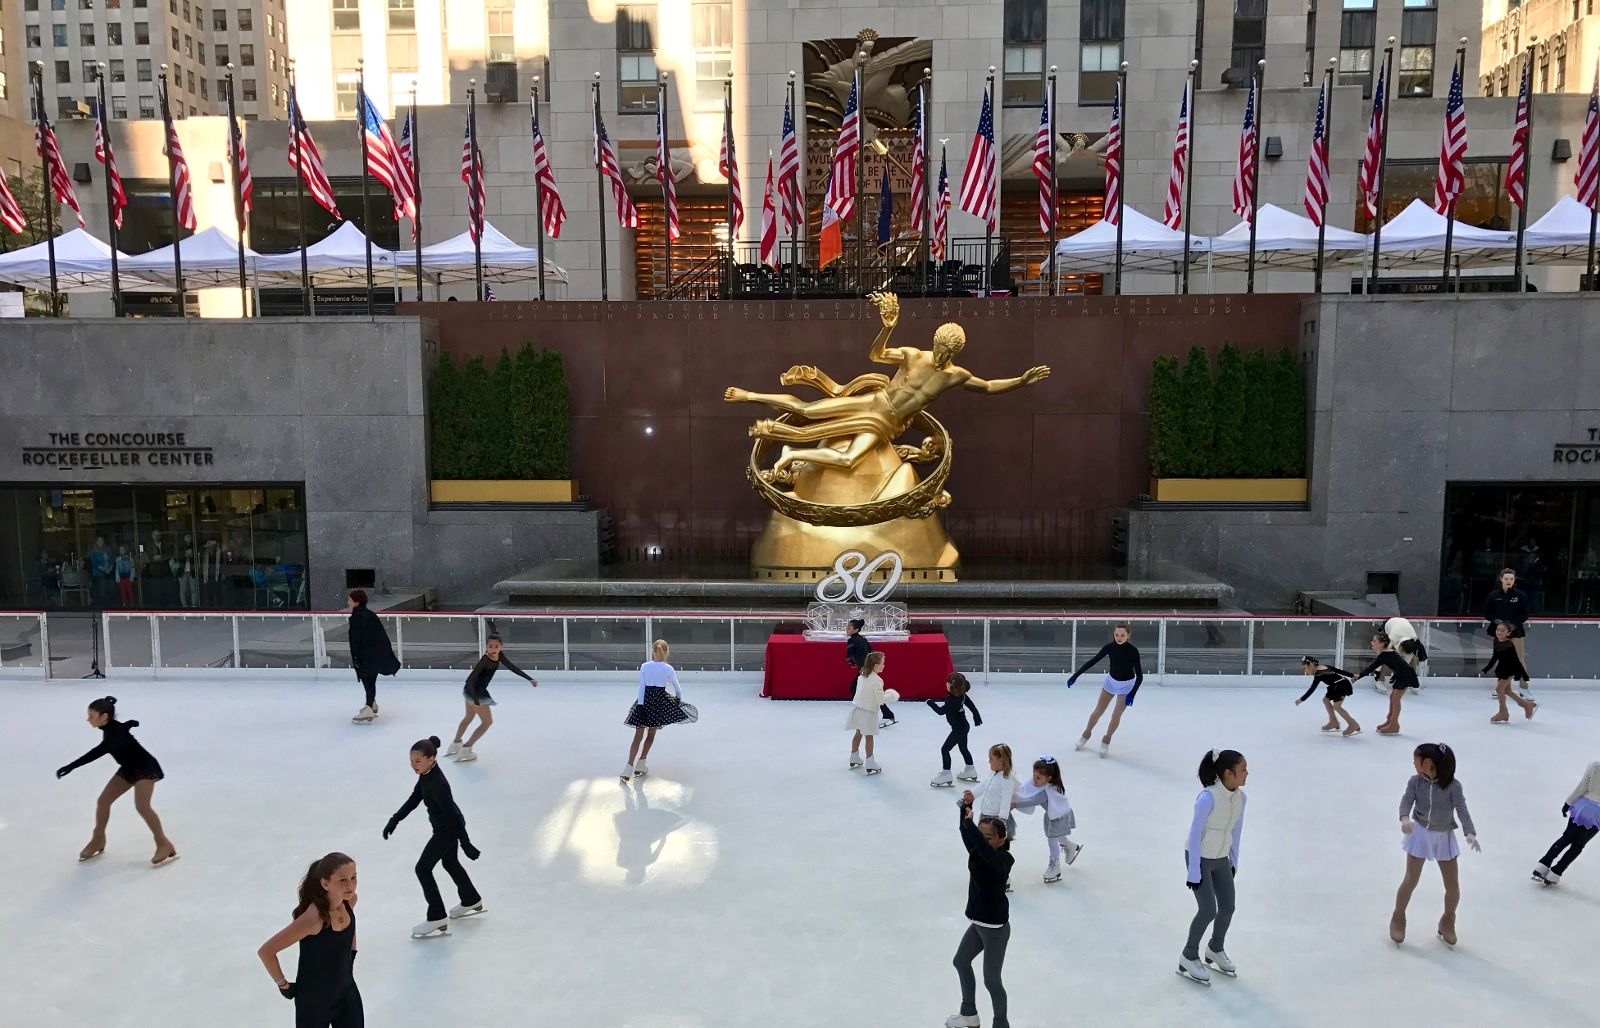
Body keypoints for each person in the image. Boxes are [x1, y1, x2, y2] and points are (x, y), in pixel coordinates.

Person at [56, 696, 176, 866]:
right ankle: (98, 840)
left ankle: (163, 843)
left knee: (142, 806)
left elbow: (96, 752)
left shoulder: (114, 734)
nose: (88, 719)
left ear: (104, 717)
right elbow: (119, 728)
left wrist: (71, 766)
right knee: (103, 801)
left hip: (145, 768)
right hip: (128, 769)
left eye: (92, 716)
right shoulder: (112, 727)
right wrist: (128, 725)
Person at [383, 737, 483, 940]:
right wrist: (395, 819)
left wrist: (466, 843)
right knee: (450, 863)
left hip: (448, 829)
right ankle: (471, 898)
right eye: (411, 761)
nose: (413, 765)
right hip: (443, 827)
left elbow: (454, 816)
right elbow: (415, 798)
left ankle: (437, 916)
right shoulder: (427, 775)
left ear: (431, 759)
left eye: (417, 761)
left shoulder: (438, 784)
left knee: (422, 868)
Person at [257, 852, 363, 1027]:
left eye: (353, 877)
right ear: (325, 883)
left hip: (347, 994)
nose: (350, 885)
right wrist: (283, 985)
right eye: (343, 880)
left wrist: (351, 955)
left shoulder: (349, 901)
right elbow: (266, 952)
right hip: (314, 1003)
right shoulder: (313, 919)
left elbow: (349, 932)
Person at [1391, 742, 1479, 947]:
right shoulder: (1415, 782)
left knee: (1452, 886)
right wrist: (1404, 818)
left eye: (1416, 761)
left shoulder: (1453, 786)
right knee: (1410, 880)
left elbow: (1462, 809)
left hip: (1443, 837)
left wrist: (1470, 832)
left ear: (1428, 763)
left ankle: (1448, 919)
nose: (1414, 764)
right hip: (1419, 834)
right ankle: (1398, 915)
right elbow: (1406, 801)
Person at [1177, 748, 1248, 986]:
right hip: (1200, 858)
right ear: (1228, 773)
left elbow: (1236, 831)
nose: (1247, 774)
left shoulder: (1241, 798)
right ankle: (1188, 955)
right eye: (1243, 770)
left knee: (1228, 906)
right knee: (1208, 909)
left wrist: (1233, 861)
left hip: (1221, 860)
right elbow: (1195, 834)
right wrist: (1194, 870)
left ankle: (1215, 948)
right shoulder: (1207, 798)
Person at [946, 790, 1014, 1028]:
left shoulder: (1003, 861)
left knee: (992, 981)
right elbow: (967, 835)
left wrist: (973, 829)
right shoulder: (978, 852)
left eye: (988, 837)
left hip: (995, 929)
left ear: (1001, 840)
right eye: (981, 836)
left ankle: (1001, 1024)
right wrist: (964, 810)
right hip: (978, 923)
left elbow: (983, 849)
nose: (982, 841)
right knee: (961, 962)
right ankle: (969, 1015)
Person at [450, 633, 537, 763]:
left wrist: (529, 678)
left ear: (501, 647)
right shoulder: (485, 660)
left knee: (468, 717)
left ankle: (455, 744)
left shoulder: (499, 655)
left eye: (496, 646)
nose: (493, 649)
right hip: (475, 692)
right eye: (490, 646)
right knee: (487, 722)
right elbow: (470, 680)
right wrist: (476, 700)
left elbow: (512, 667)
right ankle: (466, 749)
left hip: (470, 692)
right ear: (486, 647)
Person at [621, 638, 698, 782]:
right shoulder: (668, 668)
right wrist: (677, 700)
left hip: (644, 701)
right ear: (666, 652)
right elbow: (678, 689)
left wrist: (641, 705)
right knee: (651, 733)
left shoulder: (645, 666)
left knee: (638, 736)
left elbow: (642, 687)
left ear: (653, 652)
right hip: (659, 702)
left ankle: (628, 767)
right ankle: (642, 763)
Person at [1067, 623, 1144, 757]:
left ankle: (1106, 739)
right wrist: (1075, 675)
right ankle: (1086, 734)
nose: (1119, 638)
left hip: (1126, 686)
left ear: (1128, 635)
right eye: (1116, 635)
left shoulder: (1133, 651)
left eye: (1122, 635)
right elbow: (1093, 661)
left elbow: (1140, 675)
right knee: (1098, 711)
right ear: (1113, 634)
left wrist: (1132, 693)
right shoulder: (1109, 647)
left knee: (1116, 714)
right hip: (1111, 682)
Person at [1013, 756, 1080, 884]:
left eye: (1038, 778)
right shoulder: (1039, 783)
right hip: (1053, 815)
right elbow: (1024, 790)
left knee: (1052, 840)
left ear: (1049, 778)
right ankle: (1070, 846)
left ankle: (1054, 865)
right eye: (1034, 775)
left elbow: (1032, 800)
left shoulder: (1048, 790)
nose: (1034, 779)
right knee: (1058, 836)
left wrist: (1014, 804)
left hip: (1059, 817)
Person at [1534, 761, 1600, 886]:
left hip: (1584, 807)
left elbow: (1582, 786)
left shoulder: (1596, 765)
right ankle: (1555, 873)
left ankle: (1542, 866)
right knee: (1578, 845)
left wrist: (1568, 802)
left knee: (1566, 838)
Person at [346, 590, 400, 725]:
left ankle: (369, 706)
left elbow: (357, 639)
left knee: (368, 679)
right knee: (369, 679)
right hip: (374, 655)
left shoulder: (358, 617)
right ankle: (371, 704)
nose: (348, 602)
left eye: (350, 600)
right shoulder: (370, 615)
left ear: (357, 601)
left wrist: (357, 657)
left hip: (366, 656)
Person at [1351, 632, 1419, 735]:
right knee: (1393, 698)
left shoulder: (1387, 654)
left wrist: (1359, 676)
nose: (1372, 642)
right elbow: (1372, 667)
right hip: (1401, 675)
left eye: (1375, 641)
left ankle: (1394, 725)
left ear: (1382, 644)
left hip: (1405, 675)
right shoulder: (1385, 654)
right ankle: (1389, 721)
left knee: (1395, 699)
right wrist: (1359, 676)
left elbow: (1372, 667)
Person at [927, 672, 983, 788]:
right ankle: (970, 770)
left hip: (959, 729)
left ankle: (946, 774)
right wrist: (976, 716)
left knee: (945, 749)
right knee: (963, 748)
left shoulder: (953, 700)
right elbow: (971, 705)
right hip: (963, 726)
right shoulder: (961, 694)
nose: (946, 684)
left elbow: (941, 711)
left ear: (951, 686)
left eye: (947, 682)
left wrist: (930, 702)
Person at [846, 651, 898, 775]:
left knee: (858, 733)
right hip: (868, 712)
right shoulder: (877, 680)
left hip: (858, 709)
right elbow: (880, 700)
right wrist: (891, 695)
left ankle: (854, 756)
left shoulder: (862, 675)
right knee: (869, 736)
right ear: (875, 665)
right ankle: (870, 762)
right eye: (882, 663)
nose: (884, 666)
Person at [1482, 622, 1537, 724]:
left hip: (1510, 669)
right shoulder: (1496, 641)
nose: (1499, 632)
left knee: (1499, 689)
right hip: (1502, 669)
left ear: (1508, 633)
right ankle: (1526, 705)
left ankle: (1503, 712)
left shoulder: (1509, 644)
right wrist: (1488, 667)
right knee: (1507, 691)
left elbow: (1515, 660)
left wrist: (1522, 674)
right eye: (1498, 630)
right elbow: (1495, 656)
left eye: (1503, 631)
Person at [845, 618, 895, 729]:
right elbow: (872, 651)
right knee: (862, 691)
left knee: (855, 690)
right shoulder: (863, 639)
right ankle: (885, 714)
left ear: (856, 629)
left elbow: (848, 657)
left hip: (864, 669)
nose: (846, 629)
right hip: (867, 668)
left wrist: (853, 663)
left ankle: (868, 715)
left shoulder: (851, 641)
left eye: (849, 628)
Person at [1484, 568, 1532, 682]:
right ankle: (1500, 686)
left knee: (1519, 658)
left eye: (1511, 579)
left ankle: (1523, 687)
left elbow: (1524, 614)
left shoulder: (1520, 596)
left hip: (1516, 631)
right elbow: (1487, 613)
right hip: (1500, 633)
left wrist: (1513, 624)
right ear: (1501, 579)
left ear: (1514, 580)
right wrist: (1497, 621)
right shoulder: (1494, 595)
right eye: (1506, 578)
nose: (1508, 581)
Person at [1296, 656, 1360, 737]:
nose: (1304, 671)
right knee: (1326, 700)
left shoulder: (1318, 674)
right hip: (1337, 685)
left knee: (1337, 706)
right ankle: (1333, 722)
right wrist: (1352, 675)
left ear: (1311, 665)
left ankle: (1352, 724)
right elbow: (1339, 671)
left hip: (1340, 686)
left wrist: (1302, 699)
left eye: (1305, 668)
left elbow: (1312, 689)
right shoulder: (1325, 666)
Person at [972, 744, 1019, 846]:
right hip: (986, 815)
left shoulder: (1006, 780)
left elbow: (1005, 800)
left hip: (996, 819)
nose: (989, 761)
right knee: (983, 843)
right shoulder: (994, 774)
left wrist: (1002, 821)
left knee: (994, 845)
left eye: (991, 759)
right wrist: (972, 795)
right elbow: (984, 785)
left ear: (1001, 760)